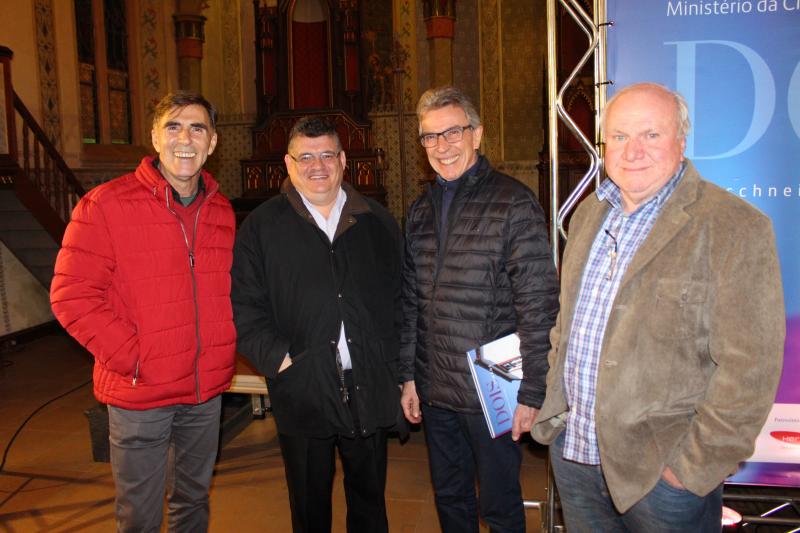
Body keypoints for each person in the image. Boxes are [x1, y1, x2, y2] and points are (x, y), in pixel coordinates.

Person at [532, 82, 785, 532]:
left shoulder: (734, 227)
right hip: (576, 457)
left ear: (681, 141)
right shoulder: (588, 214)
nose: (633, 151)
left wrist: (689, 470)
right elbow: (565, 328)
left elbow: (750, 370)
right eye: (621, 137)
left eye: (651, 135)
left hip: (661, 476)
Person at [50, 91, 236, 532]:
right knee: (140, 515)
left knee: (193, 503)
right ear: (155, 137)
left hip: (204, 391)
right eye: (173, 126)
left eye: (197, 128)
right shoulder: (106, 204)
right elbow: (71, 295)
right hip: (141, 395)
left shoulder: (222, 211)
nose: (184, 138)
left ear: (212, 143)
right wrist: (137, 358)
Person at [399, 85, 560, 533]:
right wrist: (409, 375)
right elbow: (411, 301)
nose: (441, 146)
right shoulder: (419, 211)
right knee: (450, 500)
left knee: (500, 506)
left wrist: (532, 391)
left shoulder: (513, 201)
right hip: (435, 387)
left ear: (477, 135)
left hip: (493, 383)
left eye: (453, 132)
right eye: (430, 137)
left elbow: (538, 303)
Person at [231, 117, 401, 533]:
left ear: (343, 160)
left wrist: (396, 369)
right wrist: (281, 361)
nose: (318, 166)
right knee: (309, 507)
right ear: (289, 164)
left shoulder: (376, 221)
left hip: (367, 382)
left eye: (327, 154)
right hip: (303, 385)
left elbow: (402, 300)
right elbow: (244, 304)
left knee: (369, 503)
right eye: (306, 157)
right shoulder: (261, 227)